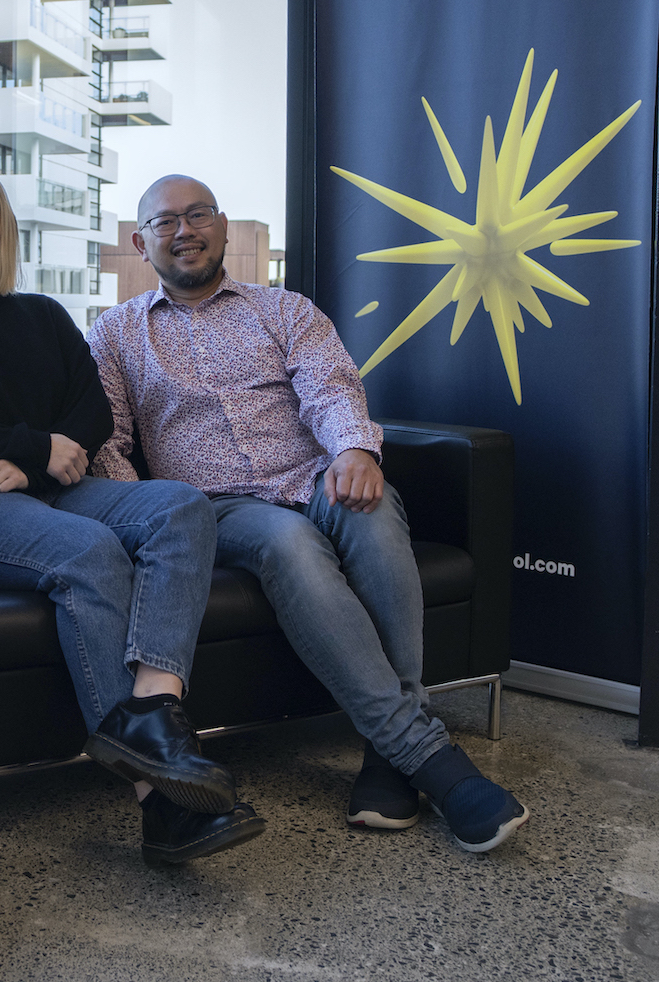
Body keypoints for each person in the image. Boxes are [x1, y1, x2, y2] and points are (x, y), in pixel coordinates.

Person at [87, 175, 529, 853]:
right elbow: (108, 444)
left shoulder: (284, 309)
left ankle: (390, 756)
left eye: (198, 213)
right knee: (291, 543)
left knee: (373, 506)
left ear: (225, 227)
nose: (185, 229)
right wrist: (146, 516)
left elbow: (330, 385)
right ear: (142, 243)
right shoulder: (116, 336)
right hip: (218, 507)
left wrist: (353, 449)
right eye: (165, 221)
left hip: (314, 474)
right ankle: (436, 761)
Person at [0, 163, 264, 867]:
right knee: (89, 551)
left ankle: (154, 712)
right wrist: (28, 446)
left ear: (4, 228)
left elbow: (92, 411)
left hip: (47, 491)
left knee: (180, 506)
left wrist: (34, 459)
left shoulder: (41, 315)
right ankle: (158, 801)